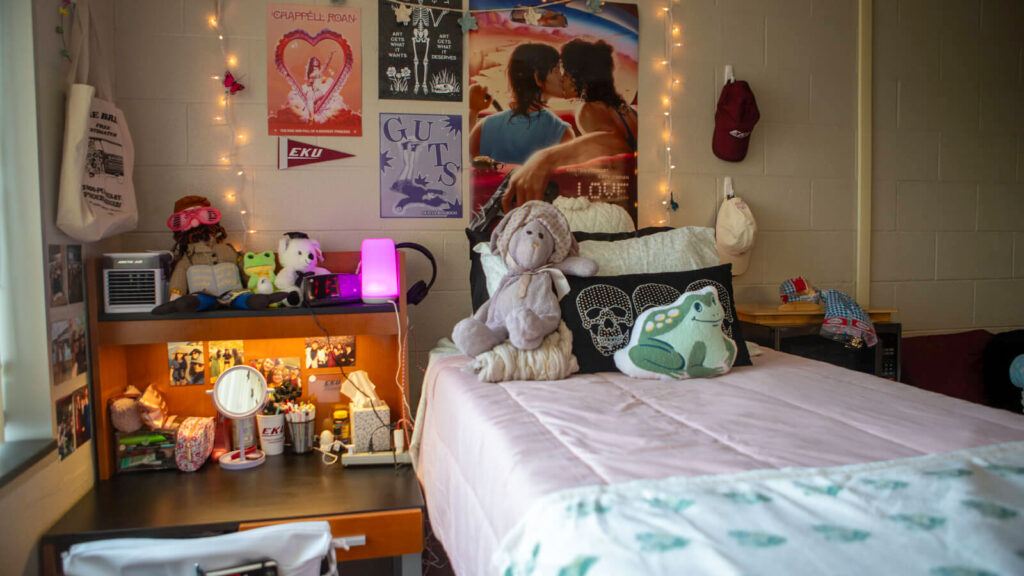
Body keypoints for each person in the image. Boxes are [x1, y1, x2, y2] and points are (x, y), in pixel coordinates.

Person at [503, 39, 637, 211]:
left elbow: (614, 143)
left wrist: (545, 158)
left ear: (579, 77)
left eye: (565, 72)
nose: (562, 77)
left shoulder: (587, 110)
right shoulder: (621, 108)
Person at [469, 43, 574, 166]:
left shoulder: (484, 126)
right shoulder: (562, 133)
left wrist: (473, 111)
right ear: (537, 78)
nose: (561, 77)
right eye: (556, 70)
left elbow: (468, 165)